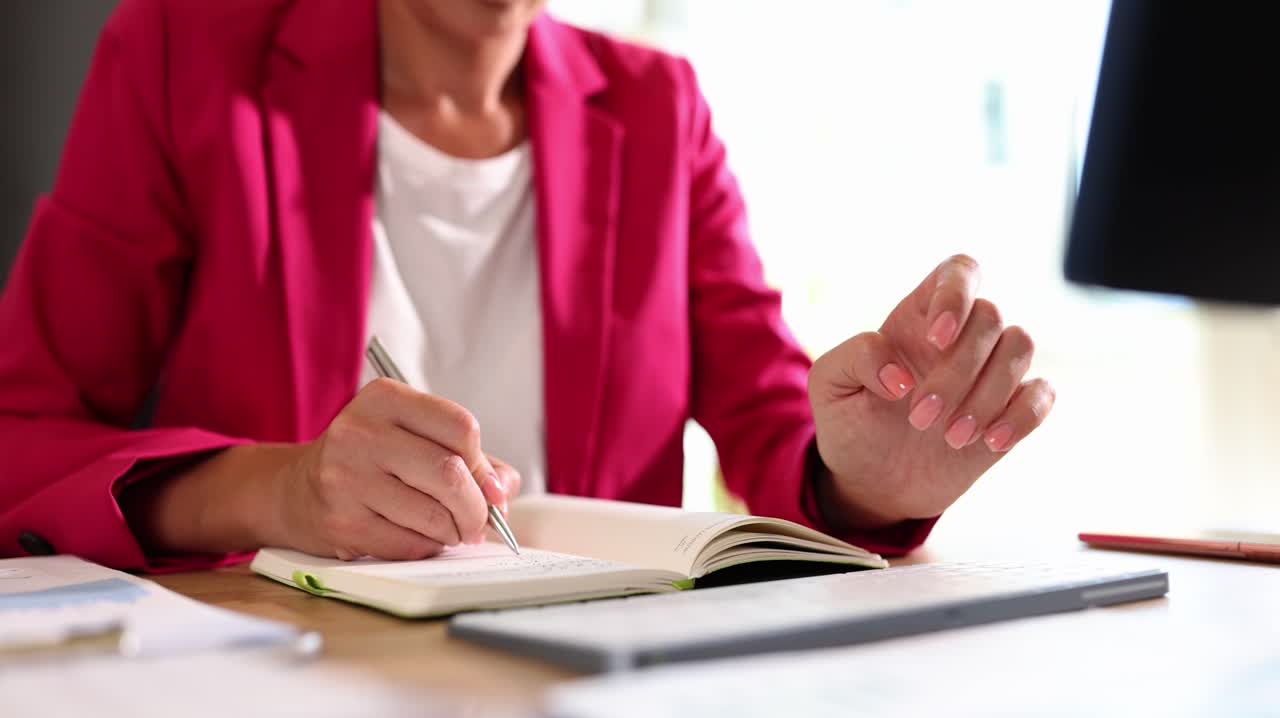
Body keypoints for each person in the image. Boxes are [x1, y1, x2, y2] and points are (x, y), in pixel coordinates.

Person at [0, 0, 1053, 571]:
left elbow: (773, 423)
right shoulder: (182, 51)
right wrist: (279, 492)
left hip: (593, 683)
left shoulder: (657, 107)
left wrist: (861, 476)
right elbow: (19, 435)